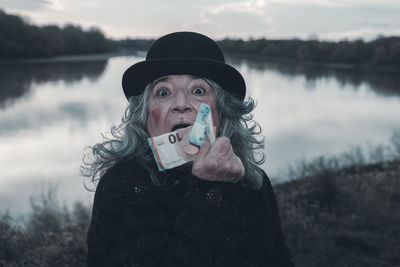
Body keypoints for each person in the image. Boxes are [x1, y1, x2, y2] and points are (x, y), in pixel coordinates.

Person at [83, 31, 294, 267]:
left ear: (222, 111)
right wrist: (212, 187)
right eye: (163, 92)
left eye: (198, 91)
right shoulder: (122, 186)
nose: (181, 104)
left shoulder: (252, 180)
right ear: (144, 116)